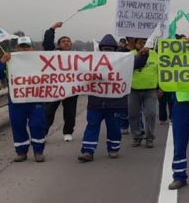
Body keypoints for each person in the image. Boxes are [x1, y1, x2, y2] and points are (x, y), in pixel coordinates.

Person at [0, 36, 48, 162]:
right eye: (22, 46)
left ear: (32, 48)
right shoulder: (10, 60)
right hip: (16, 101)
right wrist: (2, 61)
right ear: (17, 48)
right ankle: (21, 152)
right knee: (18, 126)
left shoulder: (39, 60)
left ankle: (38, 152)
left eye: (27, 46)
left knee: (37, 125)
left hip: (35, 100)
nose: (25, 49)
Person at [77, 34, 128, 162]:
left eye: (110, 49)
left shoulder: (123, 62)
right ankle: (88, 151)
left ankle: (113, 148)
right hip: (95, 103)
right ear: (100, 49)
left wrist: (144, 54)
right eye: (105, 48)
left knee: (114, 127)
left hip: (115, 103)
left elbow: (136, 63)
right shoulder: (92, 63)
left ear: (115, 50)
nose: (107, 51)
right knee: (92, 126)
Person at [42, 21, 77, 142]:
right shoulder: (53, 54)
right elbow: (47, 43)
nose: (66, 43)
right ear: (59, 44)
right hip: (55, 88)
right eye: (64, 41)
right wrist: (52, 28)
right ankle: (43, 133)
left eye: (68, 41)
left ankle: (68, 132)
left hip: (71, 89)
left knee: (70, 112)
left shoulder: (77, 57)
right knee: (48, 112)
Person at [128, 37, 160, 148]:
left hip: (150, 90)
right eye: (139, 42)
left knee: (150, 114)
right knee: (133, 114)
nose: (142, 44)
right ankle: (137, 137)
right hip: (133, 90)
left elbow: (160, 70)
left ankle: (150, 137)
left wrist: (160, 87)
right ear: (135, 44)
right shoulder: (130, 54)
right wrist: (140, 55)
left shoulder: (155, 54)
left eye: (144, 42)